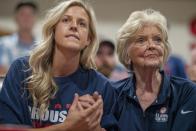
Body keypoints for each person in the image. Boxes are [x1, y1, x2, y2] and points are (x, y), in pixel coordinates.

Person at [0, 0, 115, 131]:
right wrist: (67, 127)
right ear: (53, 30)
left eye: (82, 23)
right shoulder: (21, 70)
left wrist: (94, 127)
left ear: (88, 39)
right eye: (66, 20)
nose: (74, 26)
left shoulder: (102, 87)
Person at [109, 9, 196, 131]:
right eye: (141, 40)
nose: (152, 45)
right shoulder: (113, 94)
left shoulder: (187, 92)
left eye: (157, 40)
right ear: (127, 54)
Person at [0, 0, 38, 76]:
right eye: (22, 14)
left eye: (30, 14)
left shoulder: (43, 45)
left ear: (35, 18)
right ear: (16, 18)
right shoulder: (3, 44)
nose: (26, 18)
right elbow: (2, 72)